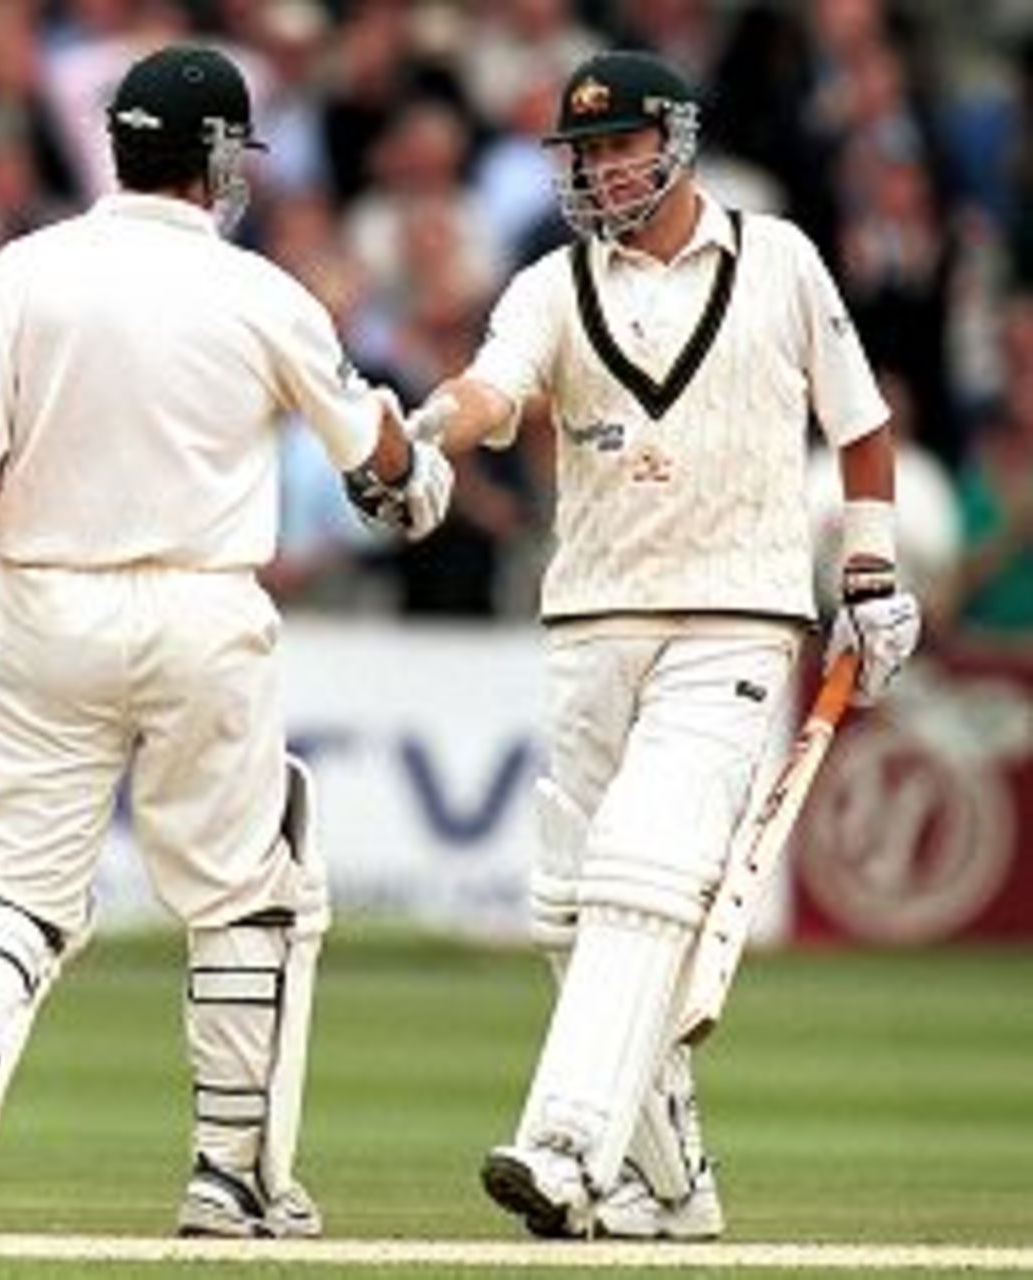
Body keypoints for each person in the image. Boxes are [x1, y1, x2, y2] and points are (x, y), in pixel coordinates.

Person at [0, 43, 451, 1240]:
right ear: (219, 161)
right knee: (243, 893)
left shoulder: (26, 270)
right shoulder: (261, 292)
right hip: (202, 613)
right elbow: (375, 459)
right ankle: (227, 1175)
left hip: (45, 613)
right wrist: (418, 472)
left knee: (15, 891)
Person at [406, 50, 920, 1240]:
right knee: (568, 905)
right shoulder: (548, 283)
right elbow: (494, 390)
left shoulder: (778, 256)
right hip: (590, 618)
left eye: (618, 145)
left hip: (734, 615)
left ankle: (564, 1142)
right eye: (581, 154)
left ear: (675, 142)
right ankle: (673, 1186)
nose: (597, 169)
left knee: (641, 872)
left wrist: (870, 570)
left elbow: (862, 425)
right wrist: (435, 424)